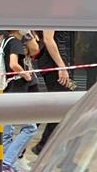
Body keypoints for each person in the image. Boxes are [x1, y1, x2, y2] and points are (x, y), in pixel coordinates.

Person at [1, 29, 39, 172]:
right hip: (17, 90)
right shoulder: (16, 41)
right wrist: (26, 74)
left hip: (7, 89)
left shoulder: (6, 41)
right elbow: (13, 64)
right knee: (30, 127)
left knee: (7, 131)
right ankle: (7, 163)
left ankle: (8, 167)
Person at [29, 28, 73, 157]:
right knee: (62, 107)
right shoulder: (52, 17)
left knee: (61, 108)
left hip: (57, 64)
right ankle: (42, 145)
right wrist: (61, 67)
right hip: (54, 66)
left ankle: (45, 146)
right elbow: (48, 39)